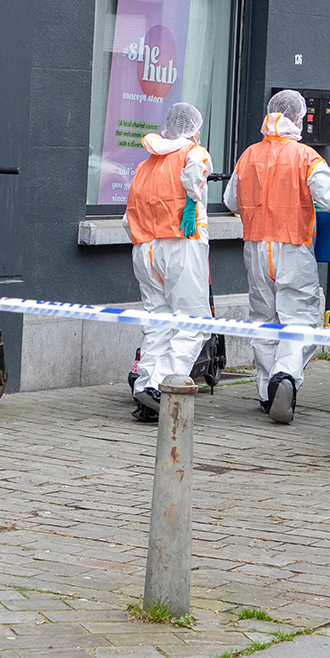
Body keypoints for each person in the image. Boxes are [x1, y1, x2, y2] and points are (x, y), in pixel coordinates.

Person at [225, 89, 330, 425]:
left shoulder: (248, 156)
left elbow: (231, 201)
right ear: (298, 118)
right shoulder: (304, 156)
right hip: (293, 247)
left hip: (256, 248)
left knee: (264, 320)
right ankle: (284, 377)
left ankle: (264, 392)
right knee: (298, 318)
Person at [125, 101, 212, 421]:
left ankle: (145, 388)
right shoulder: (194, 152)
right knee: (193, 322)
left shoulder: (146, 164)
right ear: (193, 129)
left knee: (158, 324)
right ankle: (164, 386)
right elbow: (194, 178)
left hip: (145, 249)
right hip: (181, 245)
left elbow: (127, 217)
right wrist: (193, 201)